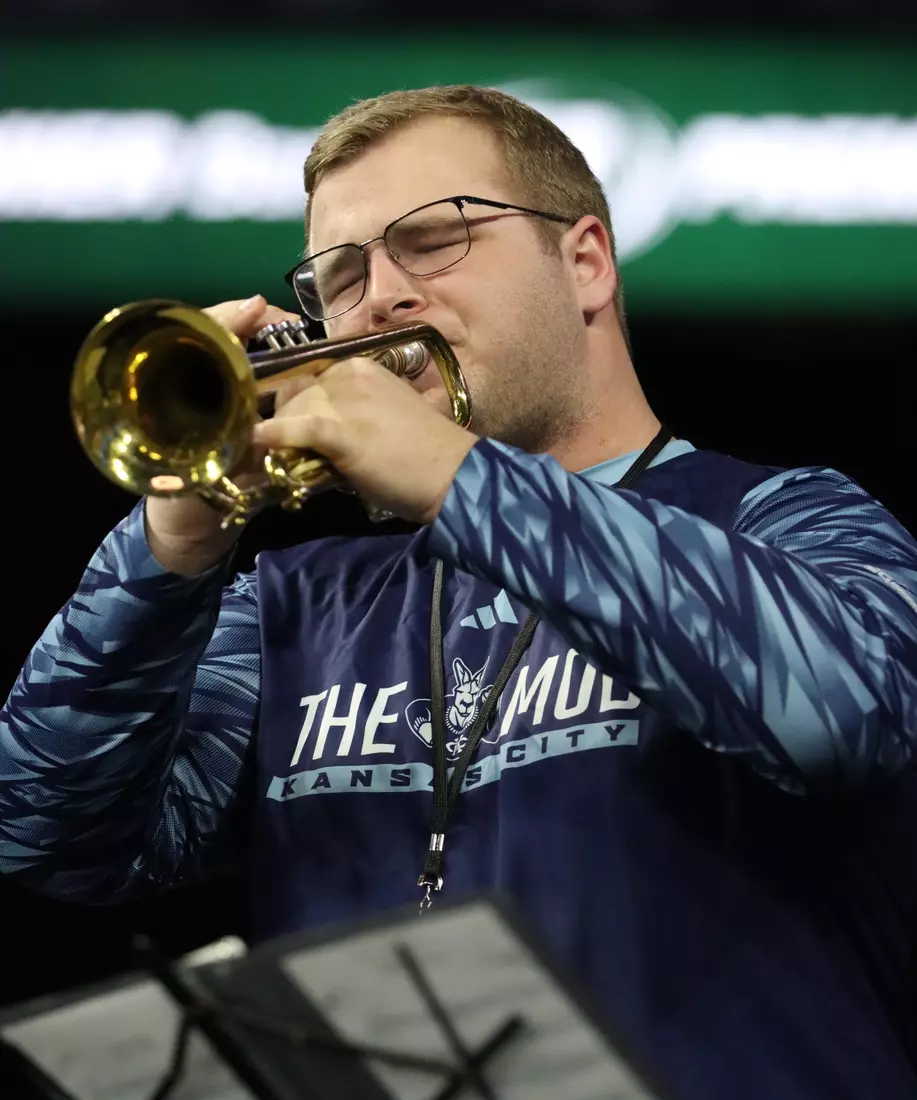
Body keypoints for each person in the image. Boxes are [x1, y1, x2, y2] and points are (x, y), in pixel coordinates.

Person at [2, 84, 917, 1099]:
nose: (379, 298)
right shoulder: (289, 608)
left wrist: (459, 475)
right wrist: (173, 537)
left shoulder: (791, 520)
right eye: (340, 275)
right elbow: (47, 834)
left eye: (432, 240)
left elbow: (839, 711)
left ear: (584, 263)